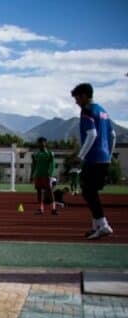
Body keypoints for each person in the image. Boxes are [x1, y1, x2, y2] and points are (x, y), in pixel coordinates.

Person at [71, 83, 116, 239]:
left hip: (93, 158)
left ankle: (103, 225)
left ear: (84, 96)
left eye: (77, 98)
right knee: (92, 192)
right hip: (104, 158)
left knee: (88, 192)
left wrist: (81, 156)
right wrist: (108, 155)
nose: (76, 102)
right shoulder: (103, 111)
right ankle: (95, 226)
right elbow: (113, 135)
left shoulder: (87, 111)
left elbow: (92, 134)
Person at [30, 137, 57, 215]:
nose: (40, 144)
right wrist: (31, 175)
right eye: (39, 142)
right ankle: (40, 209)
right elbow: (34, 165)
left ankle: (53, 208)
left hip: (46, 176)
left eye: (42, 142)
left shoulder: (50, 153)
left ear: (45, 143)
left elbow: (52, 165)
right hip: (38, 175)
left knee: (50, 191)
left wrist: (50, 174)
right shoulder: (36, 154)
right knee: (39, 192)